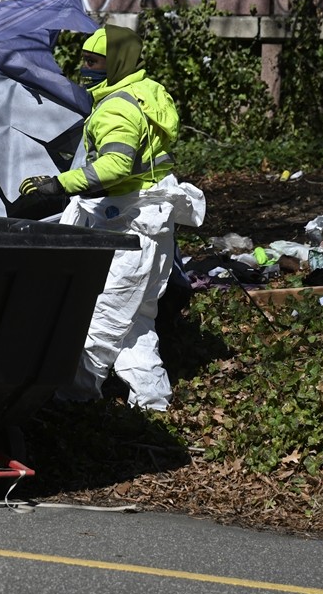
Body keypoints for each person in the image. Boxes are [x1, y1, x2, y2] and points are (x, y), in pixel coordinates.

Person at [18, 25, 205, 411]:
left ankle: (74, 399)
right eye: (84, 59)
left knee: (100, 320)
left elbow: (116, 166)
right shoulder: (145, 92)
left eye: (93, 61)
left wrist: (59, 184)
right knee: (135, 325)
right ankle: (153, 402)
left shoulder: (118, 106)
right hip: (147, 227)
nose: (83, 68)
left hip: (131, 230)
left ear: (115, 63)